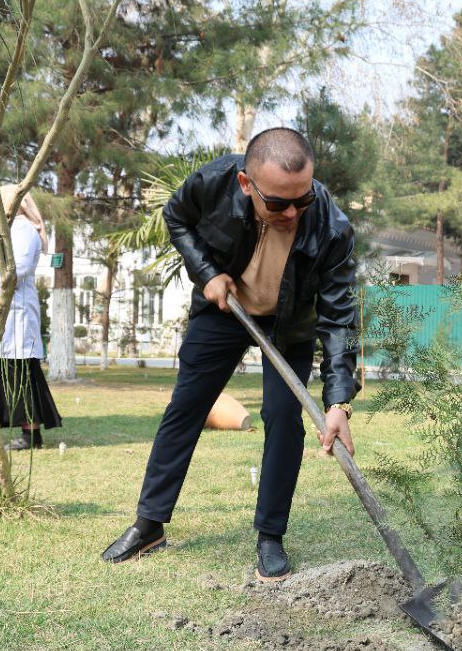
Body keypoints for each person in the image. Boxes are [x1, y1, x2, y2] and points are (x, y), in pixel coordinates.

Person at [100, 127, 359, 581]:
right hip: (225, 310)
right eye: (278, 203)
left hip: (288, 324)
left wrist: (339, 401)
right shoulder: (214, 182)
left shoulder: (332, 227)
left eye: (304, 200)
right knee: (186, 406)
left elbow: (339, 317)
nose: (293, 212)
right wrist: (206, 273)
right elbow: (175, 217)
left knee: (283, 417)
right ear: (246, 184)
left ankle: (270, 536)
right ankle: (149, 523)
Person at [0, 184, 63, 451]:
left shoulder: (24, 230)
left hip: (14, 315)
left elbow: (13, 273)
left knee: (20, 374)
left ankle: (31, 436)